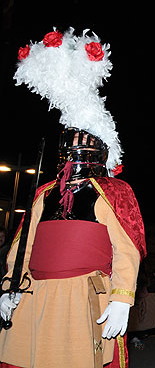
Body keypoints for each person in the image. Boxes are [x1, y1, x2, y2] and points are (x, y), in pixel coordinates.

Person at [0, 28, 146, 368]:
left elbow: (127, 248)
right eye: (70, 141)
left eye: (84, 140)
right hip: (35, 294)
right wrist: (10, 287)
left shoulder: (112, 192)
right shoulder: (44, 194)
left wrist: (123, 297)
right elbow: (23, 246)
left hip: (82, 297)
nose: (75, 147)